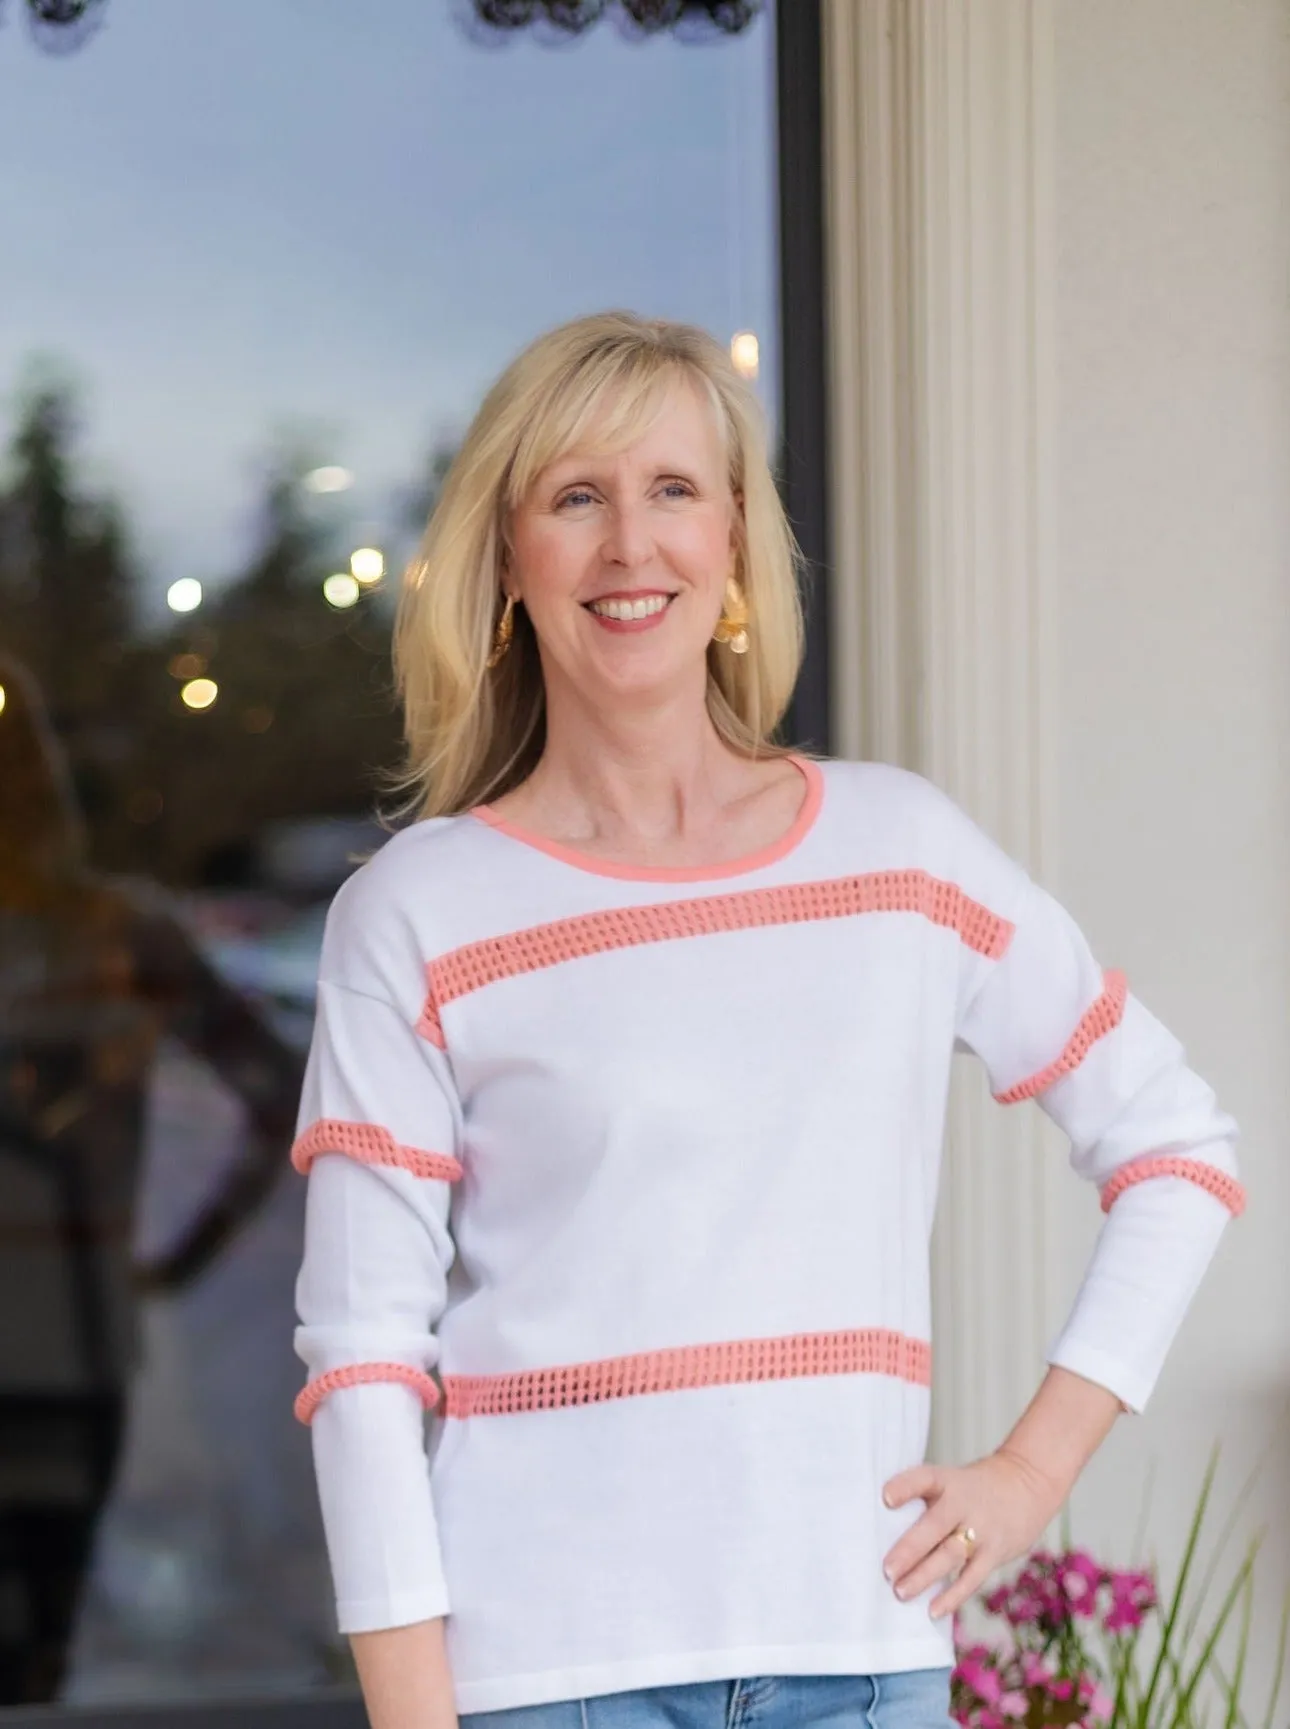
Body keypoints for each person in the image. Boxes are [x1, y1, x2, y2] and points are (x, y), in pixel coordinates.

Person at [289, 311, 1245, 1729]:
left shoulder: (900, 854)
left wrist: (1033, 1471)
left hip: (855, 1667)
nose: (630, 544)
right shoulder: (418, 912)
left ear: (732, 539)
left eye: (673, 489)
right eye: (575, 497)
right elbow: (363, 1359)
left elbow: (1176, 1147)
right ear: (507, 560)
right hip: (543, 1685)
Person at [0, 653, 304, 1702]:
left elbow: (283, 1093)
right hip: (76, 1336)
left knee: (36, 1653)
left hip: (71, 1344)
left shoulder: (117, 938)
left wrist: (186, 1256)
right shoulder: (114, 937)